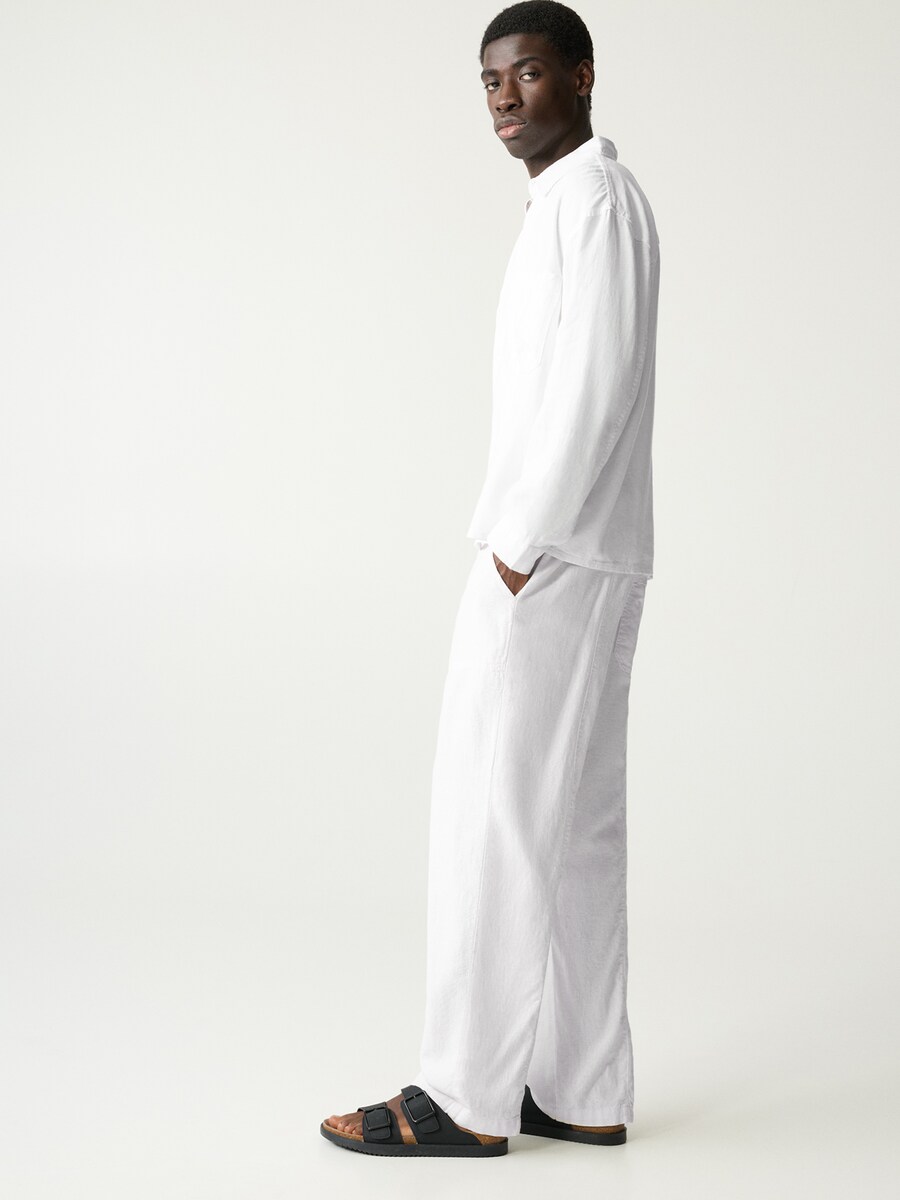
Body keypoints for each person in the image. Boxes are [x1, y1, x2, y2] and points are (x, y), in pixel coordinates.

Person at [321, 0, 660, 1157]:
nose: (506, 98)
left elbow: (594, 384)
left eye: (527, 73)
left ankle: (463, 1096)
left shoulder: (595, 200)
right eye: (489, 82)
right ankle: (582, 1085)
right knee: (574, 832)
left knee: (494, 821)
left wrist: (519, 544)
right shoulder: (574, 201)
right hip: (580, 552)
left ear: (582, 75)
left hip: (551, 558)